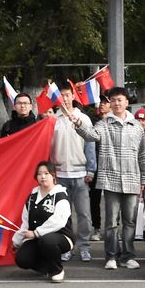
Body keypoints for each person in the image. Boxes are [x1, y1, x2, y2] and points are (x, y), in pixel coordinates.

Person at [76, 86, 145, 270]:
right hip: (110, 180)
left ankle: (129, 256)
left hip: (132, 180)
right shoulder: (103, 124)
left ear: (126, 102)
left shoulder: (137, 127)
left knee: (130, 221)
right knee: (111, 222)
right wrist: (78, 123)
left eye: (120, 100)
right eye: (113, 100)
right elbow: (90, 135)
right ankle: (111, 256)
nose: (117, 103)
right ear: (110, 104)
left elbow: (142, 155)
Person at [49, 87, 97, 262]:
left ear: (73, 97)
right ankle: (66, 246)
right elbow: (48, 146)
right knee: (63, 215)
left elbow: (90, 144)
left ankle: (84, 246)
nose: (64, 98)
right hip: (60, 174)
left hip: (80, 173)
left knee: (84, 214)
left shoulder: (83, 118)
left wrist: (91, 169)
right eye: (61, 95)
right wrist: (50, 170)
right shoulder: (53, 119)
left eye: (67, 95)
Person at [14, 161, 74, 282]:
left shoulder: (60, 196)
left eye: (46, 173)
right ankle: (46, 267)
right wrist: (17, 240)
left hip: (60, 237)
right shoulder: (32, 196)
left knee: (47, 241)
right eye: (39, 174)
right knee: (22, 259)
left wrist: (37, 233)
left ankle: (57, 270)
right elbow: (26, 220)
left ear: (53, 175)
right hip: (37, 237)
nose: (43, 176)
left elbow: (58, 221)